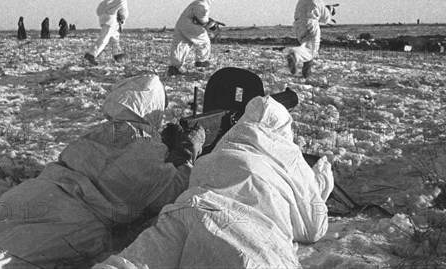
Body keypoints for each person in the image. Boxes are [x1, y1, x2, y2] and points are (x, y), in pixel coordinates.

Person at [0, 75, 204, 269]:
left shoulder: (99, 131)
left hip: (33, 192)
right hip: (71, 220)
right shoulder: (148, 149)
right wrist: (189, 151)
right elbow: (170, 189)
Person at [93, 95, 334, 269]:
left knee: (125, 265)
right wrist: (322, 181)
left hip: (191, 211)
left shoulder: (222, 149)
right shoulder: (289, 159)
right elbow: (314, 226)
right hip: (252, 235)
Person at [286, 0, 333, 79]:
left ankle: (306, 73)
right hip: (310, 25)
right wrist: (330, 10)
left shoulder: (300, 1)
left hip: (297, 26)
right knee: (311, 51)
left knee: (306, 47)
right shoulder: (316, 0)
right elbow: (326, 18)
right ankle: (295, 55)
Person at [167, 0, 218, 76]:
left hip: (181, 24)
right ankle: (202, 61)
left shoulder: (194, 3)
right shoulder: (203, 5)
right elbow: (203, 19)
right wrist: (211, 24)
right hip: (191, 25)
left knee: (181, 45)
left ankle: (175, 67)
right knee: (203, 41)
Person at [84, 0, 129, 66]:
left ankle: (117, 54)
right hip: (110, 18)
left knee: (115, 35)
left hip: (104, 16)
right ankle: (91, 54)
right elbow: (124, 13)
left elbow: (100, 7)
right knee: (105, 37)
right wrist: (122, 22)